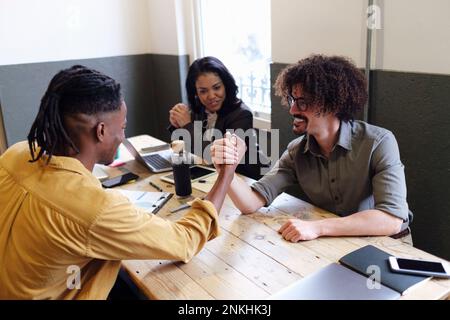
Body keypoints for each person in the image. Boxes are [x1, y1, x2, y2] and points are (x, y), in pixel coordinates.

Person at [0, 65, 239, 299]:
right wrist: (227, 173)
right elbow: (185, 240)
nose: (124, 136)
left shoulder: (15, 154)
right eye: (123, 127)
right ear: (101, 131)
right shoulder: (95, 209)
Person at [211, 54, 413, 243]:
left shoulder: (378, 142)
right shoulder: (296, 151)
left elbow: (392, 219)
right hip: (337, 243)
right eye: (292, 100)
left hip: (387, 244)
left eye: (302, 102)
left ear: (332, 104)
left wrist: (318, 227)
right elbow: (251, 202)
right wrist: (226, 171)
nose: (292, 109)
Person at [168, 56, 268, 180]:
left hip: (247, 179)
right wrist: (177, 124)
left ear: (226, 85)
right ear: (195, 93)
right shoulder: (199, 108)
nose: (211, 96)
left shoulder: (242, 115)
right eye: (203, 91)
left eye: (216, 88)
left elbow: (214, 157)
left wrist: (188, 126)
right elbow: (187, 148)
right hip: (212, 175)